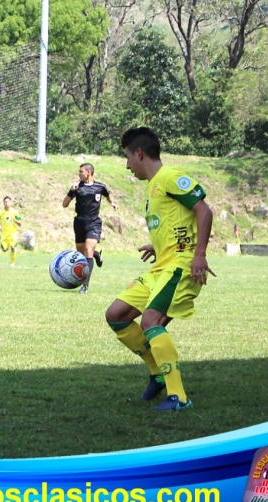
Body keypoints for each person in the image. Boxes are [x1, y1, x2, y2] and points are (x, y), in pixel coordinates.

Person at [105, 127, 214, 411]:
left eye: (128, 158)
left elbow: (204, 210)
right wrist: (158, 245)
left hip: (180, 266)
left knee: (150, 321)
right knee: (116, 315)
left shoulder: (170, 177)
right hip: (162, 265)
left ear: (139, 153)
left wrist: (199, 254)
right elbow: (176, 220)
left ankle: (178, 397)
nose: (128, 165)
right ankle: (157, 374)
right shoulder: (153, 185)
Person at [62, 163, 118, 294]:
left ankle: (85, 285)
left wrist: (113, 203)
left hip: (94, 222)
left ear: (88, 172)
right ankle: (96, 254)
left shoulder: (100, 186)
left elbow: (108, 195)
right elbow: (64, 204)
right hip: (79, 222)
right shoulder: (77, 187)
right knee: (82, 254)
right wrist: (71, 190)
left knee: (88, 250)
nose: (79, 174)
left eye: (81, 172)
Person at [0, 196, 22, 268]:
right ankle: (6, 248)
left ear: (10, 202)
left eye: (8, 201)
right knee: (4, 249)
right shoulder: (0, 212)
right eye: (5, 201)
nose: (6, 203)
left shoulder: (15, 212)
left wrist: (14, 220)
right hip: (4, 234)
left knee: (13, 247)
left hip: (12, 233)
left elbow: (20, 224)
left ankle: (12, 263)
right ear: (3, 202)